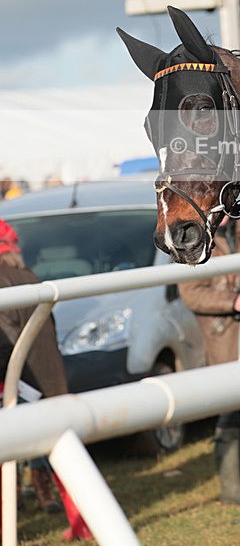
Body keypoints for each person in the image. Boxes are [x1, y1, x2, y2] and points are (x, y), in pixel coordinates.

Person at [178, 216, 240, 504]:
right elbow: (191, 294)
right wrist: (234, 302)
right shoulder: (193, 238)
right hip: (223, 340)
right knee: (231, 415)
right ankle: (232, 490)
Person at [0, 219, 92, 540]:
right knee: (64, 458)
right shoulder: (29, 276)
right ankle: (83, 523)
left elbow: (7, 344)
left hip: (21, 382)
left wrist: (14, 385)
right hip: (49, 377)